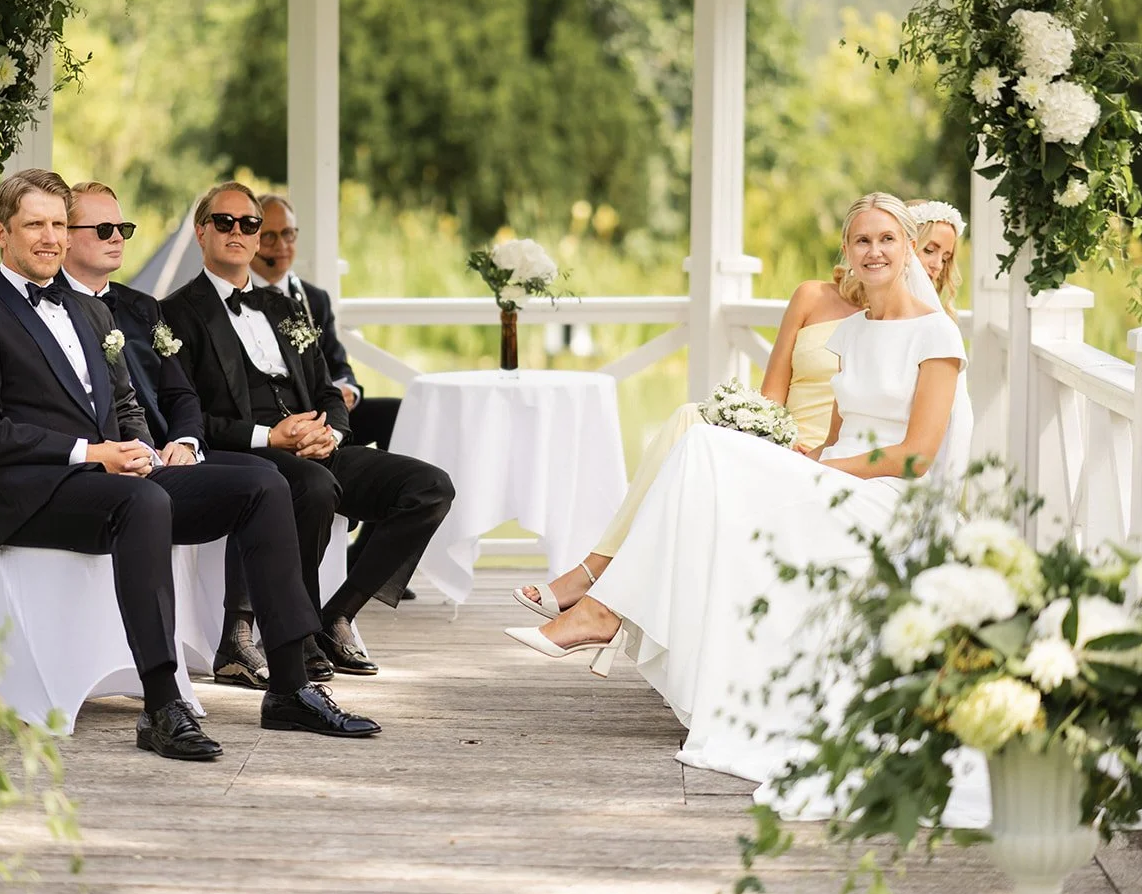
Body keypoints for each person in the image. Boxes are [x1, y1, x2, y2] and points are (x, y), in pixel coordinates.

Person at [506, 193, 973, 802]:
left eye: (888, 239)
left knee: (705, 449)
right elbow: (837, 428)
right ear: (847, 253)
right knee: (704, 449)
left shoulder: (936, 333)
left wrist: (825, 466)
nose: (875, 251)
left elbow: (917, 455)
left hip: (887, 496)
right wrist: (807, 459)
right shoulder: (853, 332)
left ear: (910, 247)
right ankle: (606, 611)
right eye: (862, 240)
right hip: (836, 475)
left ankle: (603, 608)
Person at [0, 169, 381, 761]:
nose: (50, 237)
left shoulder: (90, 312)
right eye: (34, 224)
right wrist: (92, 453)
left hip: (118, 477)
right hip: (39, 495)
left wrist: (141, 447)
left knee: (262, 482)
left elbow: (120, 399)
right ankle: (163, 703)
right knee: (145, 502)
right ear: (1, 233)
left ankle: (292, 686)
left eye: (58, 224)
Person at [160, 181, 456, 678]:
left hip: (318, 445)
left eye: (249, 224)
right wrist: (270, 438)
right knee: (312, 488)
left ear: (258, 238)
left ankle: (336, 615)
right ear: (201, 232)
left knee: (430, 488)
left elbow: (326, 389)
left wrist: (333, 434)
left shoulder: (288, 307)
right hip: (247, 452)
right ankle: (272, 637)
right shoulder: (174, 314)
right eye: (225, 222)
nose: (239, 232)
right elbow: (184, 415)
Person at [513, 220, 864, 620]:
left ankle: (596, 577)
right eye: (864, 239)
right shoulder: (811, 295)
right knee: (688, 422)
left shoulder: (895, 323)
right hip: (779, 438)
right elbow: (773, 393)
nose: (874, 251)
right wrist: (766, 433)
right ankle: (603, 591)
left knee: (688, 430)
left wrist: (819, 454)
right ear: (846, 245)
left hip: (826, 455)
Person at [60, 180, 289, 691]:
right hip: (119, 470)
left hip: (174, 456)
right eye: (102, 229)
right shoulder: (57, 314)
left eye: (123, 228)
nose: (117, 237)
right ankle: (248, 663)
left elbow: (182, 395)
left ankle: (279, 658)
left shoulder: (143, 307)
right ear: (66, 237)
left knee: (271, 479)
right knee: (268, 482)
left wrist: (185, 443)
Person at [249, 193, 413, 598]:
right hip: (281, 420)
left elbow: (339, 363)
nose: (281, 246)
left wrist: (347, 391)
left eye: (288, 234)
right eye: (269, 236)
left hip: (329, 408)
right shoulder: (239, 298)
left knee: (398, 414)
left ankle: (373, 553)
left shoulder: (313, 297)